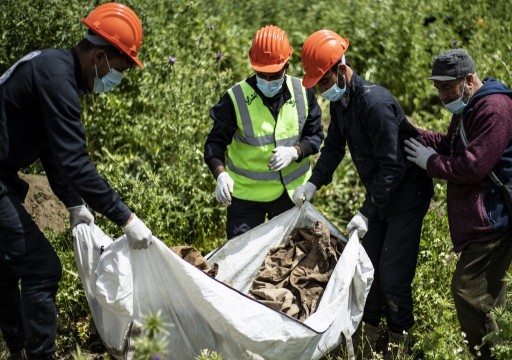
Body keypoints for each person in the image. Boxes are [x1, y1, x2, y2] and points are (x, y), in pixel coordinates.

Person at [0, 3, 153, 359]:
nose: (115, 79)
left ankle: (19, 350)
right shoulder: (56, 78)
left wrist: (74, 203)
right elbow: (74, 160)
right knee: (43, 268)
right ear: (99, 56)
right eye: (118, 69)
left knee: (8, 267)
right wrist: (125, 218)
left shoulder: (54, 68)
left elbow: (53, 152)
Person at [294, 30, 433, 358]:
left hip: (406, 196)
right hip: (381, 194)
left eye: (325, 81)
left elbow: (393, 167)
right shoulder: (343, 103)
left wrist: (366, 212)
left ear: (341, 69)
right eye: (318, 85)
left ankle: (399, 344)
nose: (323, 90)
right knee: (365, 267)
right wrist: (314, 182)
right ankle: (369, 342)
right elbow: (333, 147)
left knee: (393, 275)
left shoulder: (374, 102)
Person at [404, 48, 512, 359]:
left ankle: (488, 354)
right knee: (490, 294)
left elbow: (472, 166)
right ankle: (499, 350)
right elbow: (453, 144)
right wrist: (417, 135)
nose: (440, 94)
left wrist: (431, 164)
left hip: (494, 218)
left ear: (468, 80)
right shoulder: (469, 107)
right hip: (485, 216)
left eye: (445, 86)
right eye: (436, 86)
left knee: (466, 289)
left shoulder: (494, 109)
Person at [203, 25, 324, 239]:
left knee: (291, 258)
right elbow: (214, 144)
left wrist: (295, 151)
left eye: (274, 75)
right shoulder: (235, 98)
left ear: (286, 65)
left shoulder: (302, 92)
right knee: (242, 261)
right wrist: (220, 175)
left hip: (291, 195)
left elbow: (315, 137)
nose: (267, 81)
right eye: (262, 74)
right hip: (246, 198)